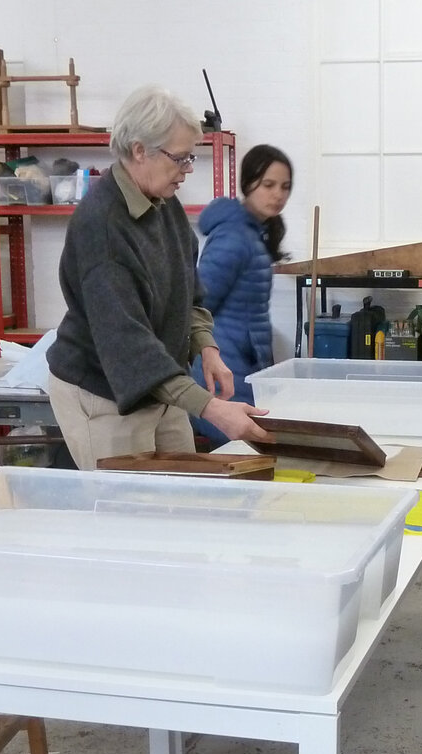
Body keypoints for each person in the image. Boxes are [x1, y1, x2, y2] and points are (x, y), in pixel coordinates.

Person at [47, 84, 268, 469]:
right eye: (180, 159)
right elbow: (128, 346)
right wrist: (212, 409)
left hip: (160, 386)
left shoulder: (162, 203)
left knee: (181, 498)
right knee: (129, 515)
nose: (186, 171)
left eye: (190, 159)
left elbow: (190, 293)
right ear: (138, 150)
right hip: (104, 393)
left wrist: (206, 348)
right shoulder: (102, 229)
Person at [189, 144, 294, 448]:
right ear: (248, 184)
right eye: (268, 185)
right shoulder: (234, 236)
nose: (278, 195)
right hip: (222, 369)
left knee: (256, 453)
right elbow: (197, 304)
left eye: (285, 187)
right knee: (251, 452)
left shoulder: (254, 233)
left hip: (242, 365)